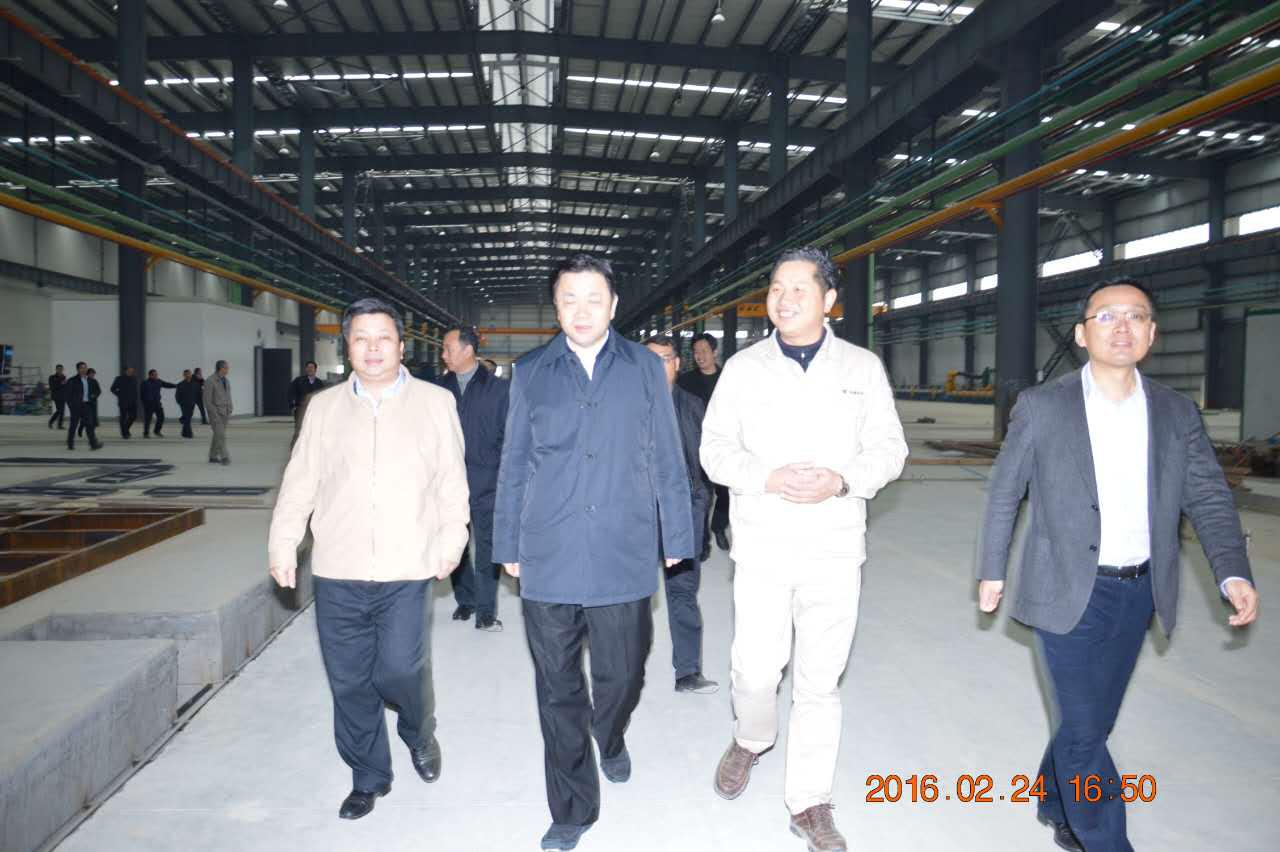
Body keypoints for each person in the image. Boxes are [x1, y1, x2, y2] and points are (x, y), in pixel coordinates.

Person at [976, 277, 1259, 852]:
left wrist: (1232, 570)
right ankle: (1105, 840)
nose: (1122, 327)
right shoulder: (1042, 406)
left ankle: (1055, 801)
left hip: (1138, 591)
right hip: (1064, 588)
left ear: (1152, 334)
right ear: (1082, 334)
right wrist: (992, 568)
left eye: (1136, 316)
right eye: (1107, 316)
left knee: (1091, 721)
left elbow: (1208, 496)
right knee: (1085, 734)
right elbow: (1006, 491)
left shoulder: (1176, 412)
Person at [701, 247, 907, 852]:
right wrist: (766, 477)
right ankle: (751, 738)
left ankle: (810, 801)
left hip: (834, 549)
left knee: (819, 681)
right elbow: (714, 449)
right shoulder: (743, 369)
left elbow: (889, 449)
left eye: (798, 288)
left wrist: (842, 480)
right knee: (755, 670)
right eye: (776, 288)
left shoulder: (861, 368)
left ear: (829, 300)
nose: (784, 299)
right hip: (763, 546)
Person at [494, 254, 695, 852]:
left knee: (623, 673)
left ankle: (609, 733)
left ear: (613, 305)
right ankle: (572, 808)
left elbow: (666, 456)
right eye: (568, 299)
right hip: (548, 551)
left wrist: (676, 538)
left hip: (622, 548)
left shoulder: (643, 368)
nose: (581, 311)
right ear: (555, 307)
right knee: (557, 688)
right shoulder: (531, 371)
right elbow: (514, 461)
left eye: (593, 299)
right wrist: (506, 541)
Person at [268, 297, 469, 822]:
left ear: (401, 346)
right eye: (361, 338)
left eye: (383, 338)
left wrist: (452, 541)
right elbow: (300, 482)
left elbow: (452, 483)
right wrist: (283, 542)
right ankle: (368, 775)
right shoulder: (323, 408)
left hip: (408, 566)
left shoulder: (435, 403)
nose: (373, 348)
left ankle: (418, 731)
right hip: (338, 568)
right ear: (347, 346)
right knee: (350, 681)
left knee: (401, 669)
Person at [644, 335, 718, 695]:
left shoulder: (693, 406)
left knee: (683, 593)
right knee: (630, 599)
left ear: (676, 363)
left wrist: (700, 510)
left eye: (663, 359)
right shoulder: (623, 408)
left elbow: (708, 464)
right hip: (637, 515)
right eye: (649, 360)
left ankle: (687, 672)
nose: (657, 367)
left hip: (684, 512)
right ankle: (626, 673)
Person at [435, 326, 510, 631]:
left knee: (488, 548)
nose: (443, 354)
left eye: (448, 348)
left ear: (468, 350)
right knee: (456, 544)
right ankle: (465, 600)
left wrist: (503, 477)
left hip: (488, 483)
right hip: (448, 485)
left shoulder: (499, 390)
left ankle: (486, 612)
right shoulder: (438, 391)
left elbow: (509, 438)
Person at [678, 332, 730, 560]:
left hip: (724, 445)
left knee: (725, 493)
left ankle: (718, 526)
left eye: (704, 351)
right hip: (695, 448)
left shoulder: (728, 378)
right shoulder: (685, 382)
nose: (699, 356)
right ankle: (703, 542)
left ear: (714, 352)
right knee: (702, 497)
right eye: (696, 352)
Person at [65, 361, 103, 451]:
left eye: (85, 367)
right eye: (82, 368)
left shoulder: (90, 380)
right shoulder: (72, 380)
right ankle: (70, 443)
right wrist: (71, 406)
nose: (84, 369)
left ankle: (93, 444)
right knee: (73, 425)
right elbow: (67, 395)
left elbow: (97, 391)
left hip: (87, 405)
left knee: (89, 425)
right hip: (76, 406)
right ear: (78, 369)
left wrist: (93, 396)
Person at [204, 360, 233, 464]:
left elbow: (228, 395)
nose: (228, 370)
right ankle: (224, 457)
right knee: (221, 435)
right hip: (215, 413)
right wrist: (214, 413)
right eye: (226, 368)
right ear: (220, 368)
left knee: (218, 435)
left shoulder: (226, 381)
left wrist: (230, 407)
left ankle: (212, 456)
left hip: (225, 412)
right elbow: (207, 401)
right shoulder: (210, 381)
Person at [289, 360, 327, 437]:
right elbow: (290, 393)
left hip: (314, 410)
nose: (310, 369)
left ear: (315, 369)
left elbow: (323, 396)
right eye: (308, 367)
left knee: (313, 428)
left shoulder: (319, 383)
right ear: (305, 369)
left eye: (312, 367)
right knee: (300, 429)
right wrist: (292, 406)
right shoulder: (298, 381)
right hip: (300, 409)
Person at [141, 369, 177, 438]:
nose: (156, 376)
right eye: (154, 375)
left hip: (157, 403)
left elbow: (167, 384)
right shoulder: (145, 383)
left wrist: (176, 385)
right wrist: (144, 403)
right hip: (148, 404)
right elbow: (142, 394)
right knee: (148, 419)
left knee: (161, 417)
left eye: (156, 374)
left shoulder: (158, 381)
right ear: (150, 375)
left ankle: (157, 431)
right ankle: (146, 433)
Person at [110, 366, 139, 439]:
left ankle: (126, 429)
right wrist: (120, 395)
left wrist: (136, 398)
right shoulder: (119, 378)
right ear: (125, 371)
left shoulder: (134, 378)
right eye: (129, 371)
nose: (131, 372)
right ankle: (124, 433)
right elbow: (112, 389)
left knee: (133, 416)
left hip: (133, 401)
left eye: (132, 371)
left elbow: (135, 390)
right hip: (123, 402)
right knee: (123, 417)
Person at [77, 368, 102, 437]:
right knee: (86, 418)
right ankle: (81, 428)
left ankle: (91, 434)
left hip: (93, 402)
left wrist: (95, 395)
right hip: (85, 403)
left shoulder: (94, 381)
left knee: (93, 419)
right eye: (92, 374)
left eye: (93, 374)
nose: (93, 375)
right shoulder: (83, 381)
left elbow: (99, 391)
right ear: (88, 374)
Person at [175, 369, 199, 439]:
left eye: (189, 374)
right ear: (184, 375)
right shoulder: (180, 384)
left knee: (188, 418)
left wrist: (195, 401)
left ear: (191, 375)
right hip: (184, 404)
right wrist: (180, 402)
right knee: (187, 419)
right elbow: (177, 395)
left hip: (192, 404)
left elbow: (197, 393)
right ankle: (189, 433)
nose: (188, 375)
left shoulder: (195, 384)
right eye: (186, 374)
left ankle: (184, 432)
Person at [47, 364, 67, 430]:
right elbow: (52, 387)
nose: (60, 370)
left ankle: (59, 425)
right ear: (56, 369)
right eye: (59, 369)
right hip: (56, 396)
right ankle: (51, 422)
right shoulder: (52, 377)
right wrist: (61, 383)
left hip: (63, 396)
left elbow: (65, 387)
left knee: (62, 411)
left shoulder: (64, 377)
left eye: (61, 369)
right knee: (59, 410)